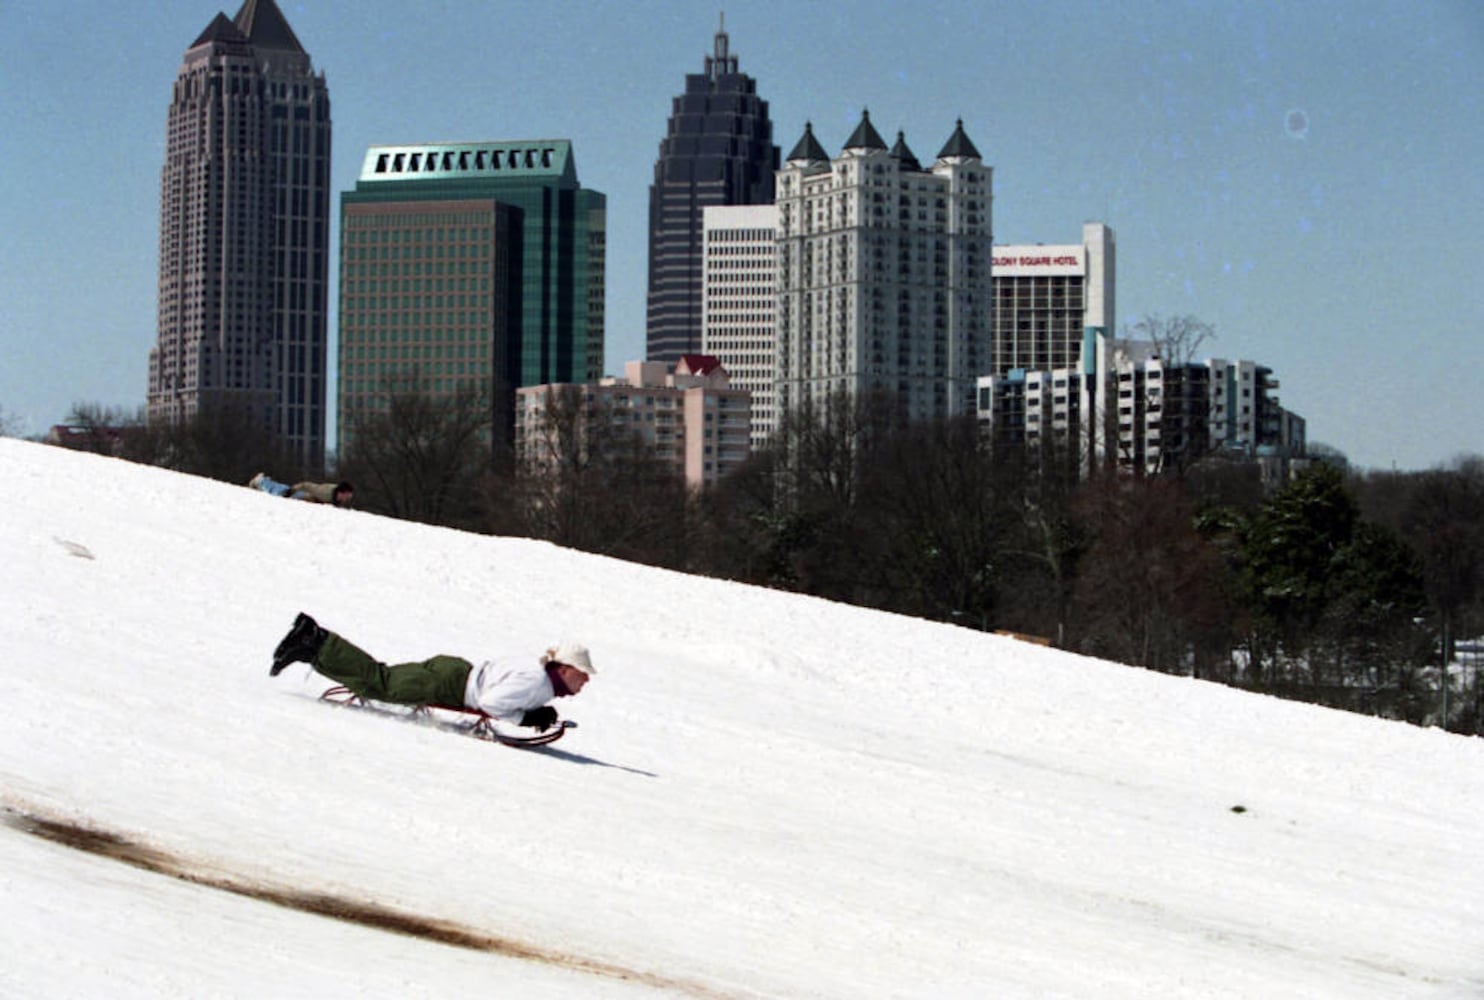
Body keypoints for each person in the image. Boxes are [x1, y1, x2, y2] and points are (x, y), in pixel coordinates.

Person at [268, 613, 594, 731]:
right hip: (448, 684)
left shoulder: (536, 674)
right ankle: (315, 639)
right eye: (582, 673)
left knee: (380, 678)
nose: (586, 679)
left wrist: (533, 712)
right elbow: (492, 704)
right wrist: (526, 719)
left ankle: (311, 646)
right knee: (380, 684)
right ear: (564, 669)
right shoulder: (536, 680)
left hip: (453, 674)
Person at [249, 473, 354, 507]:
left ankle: (262, 483)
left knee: (280, 491)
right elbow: (306, 485)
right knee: (280, 492)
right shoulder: (325, 493)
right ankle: (261, 481)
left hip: (309, 499)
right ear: (342, 493)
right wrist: (292, 491)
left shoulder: (336, 498)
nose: (348, 499)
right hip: (304, 495)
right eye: (348, 496)